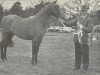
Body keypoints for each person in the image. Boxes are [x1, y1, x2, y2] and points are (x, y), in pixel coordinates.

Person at [60, 5, 94, 72]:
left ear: (87, 11)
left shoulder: (89, 19)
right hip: (77, 39)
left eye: (84, 11)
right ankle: (77, 66)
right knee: (77, 53)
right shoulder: (78, 19)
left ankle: (85, 68)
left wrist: (82, 27)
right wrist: (63, 21)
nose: (83, 12)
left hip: (84, 40)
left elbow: (90, 29)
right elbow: (69, 24)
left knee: (85, 54)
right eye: (82, 11)